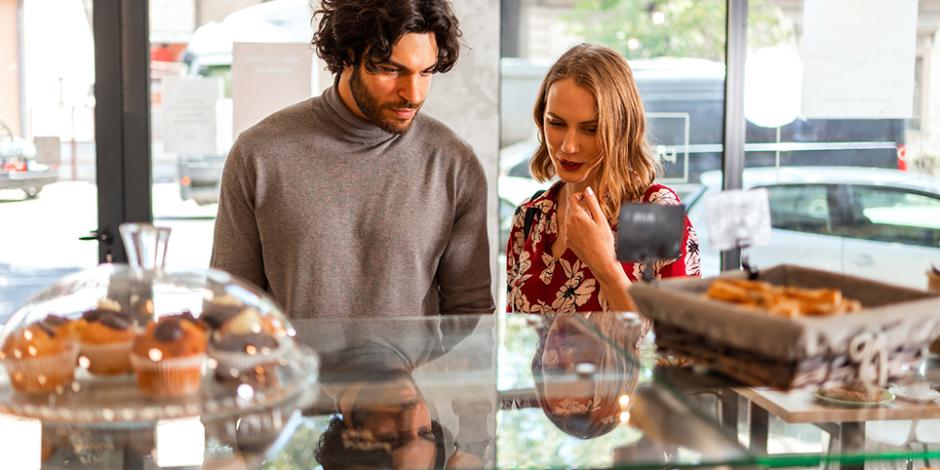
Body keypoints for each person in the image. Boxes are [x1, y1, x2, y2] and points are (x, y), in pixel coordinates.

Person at [211, 0, 494, 318]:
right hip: (295, 368)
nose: (413, 94)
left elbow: (471, 312)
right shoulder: (258, 155)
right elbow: (229, 305)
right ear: (347, 56)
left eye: (425, 72)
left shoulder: (453, 164)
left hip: (409, 369)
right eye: (390, 69)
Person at [506, 44, 700, 314]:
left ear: (621, 129)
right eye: (557, 123)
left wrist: (605, 266)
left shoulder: (650, 212)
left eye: (590, 129)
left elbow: (675, 346)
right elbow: (517, 338)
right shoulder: (531, 217)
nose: (568, 146)